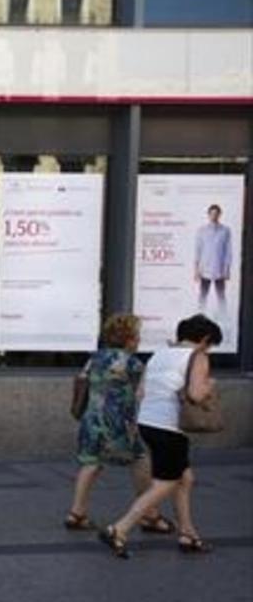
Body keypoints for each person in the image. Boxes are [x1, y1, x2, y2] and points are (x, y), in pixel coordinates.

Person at [98, 315, 222, 559]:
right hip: (169, 426)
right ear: (205, 339)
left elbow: (141, 391)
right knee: (165, 483)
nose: (209, 349)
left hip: (148, 421)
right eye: (210, 344)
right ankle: (120, 528)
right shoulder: (197, 356)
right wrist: (210, 385)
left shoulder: (159, 354)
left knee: (184, 479)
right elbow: (196, 395)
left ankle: (188, 534)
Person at [63, 314, 173, 534]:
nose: (139, 340)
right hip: (118, 422)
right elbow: (141, 393)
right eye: (137, 335)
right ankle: (150, 515)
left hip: (91, 420)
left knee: (91, 463)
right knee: (141, 460)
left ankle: (76, 513)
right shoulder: (132, 363)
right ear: (129, 338)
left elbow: (84, 381)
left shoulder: (95, 358)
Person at [194, 204, 231, 311]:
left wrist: (227, 269)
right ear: (208, 215)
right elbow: (198, 250)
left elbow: (228, 251)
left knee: (221, 295)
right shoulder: (202, 231)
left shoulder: (225, 231)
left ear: (219, 215)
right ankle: (201, 314)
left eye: (216, 214)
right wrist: (196, 270)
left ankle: (223, 316)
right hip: (205, 267)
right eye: (212, 214)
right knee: (203, 295)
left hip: (219, 268)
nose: (214, 216)